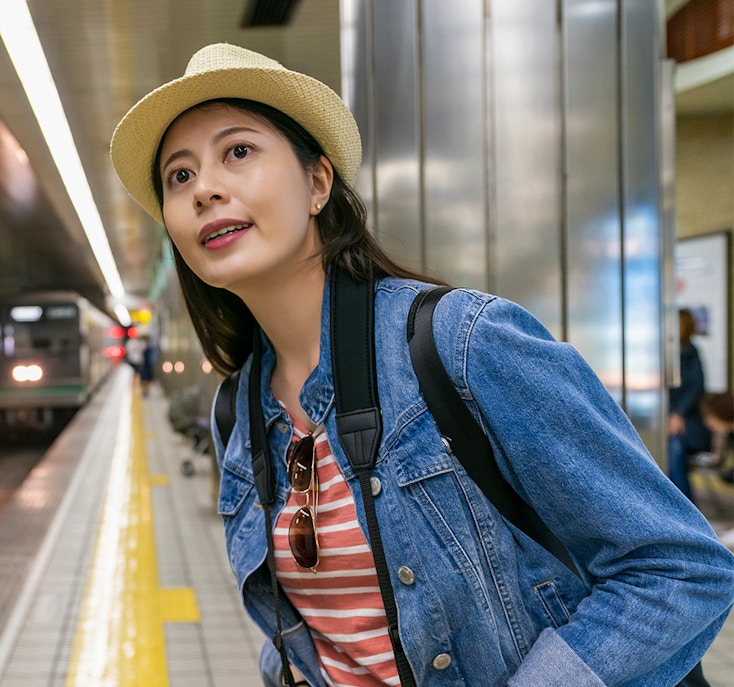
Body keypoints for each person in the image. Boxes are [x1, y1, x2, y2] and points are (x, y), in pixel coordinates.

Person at [110, 43, 734, 687]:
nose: (205, 188)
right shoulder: (235, 411)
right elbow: (327, 629)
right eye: (179, 176)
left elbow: (680, 568)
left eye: (238, 152)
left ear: (318, 183)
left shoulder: (463, 343)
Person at [669, 309, 713, 502]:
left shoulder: (691, 353)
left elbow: (696, 388)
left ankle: (685, 509)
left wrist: (679, 414)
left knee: (675, 449)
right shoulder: (664, 355)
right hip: (665, 420)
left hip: (690, 424)